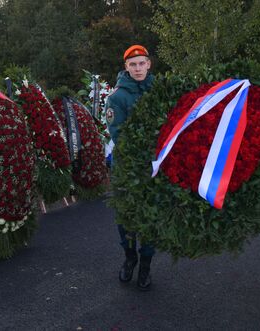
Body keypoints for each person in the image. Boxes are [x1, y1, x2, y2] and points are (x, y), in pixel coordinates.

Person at [105, 45, 156, 290]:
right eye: (132, 64)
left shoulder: (159, 92)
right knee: (126, 217)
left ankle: (146, 264)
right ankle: (130, 257)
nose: (138, 69)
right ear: (126, 67)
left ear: (149, 64)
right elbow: (120, 135)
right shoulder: (116, 98)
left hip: (155, 169)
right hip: (127, 168)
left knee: (151, 218)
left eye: (141, 63)